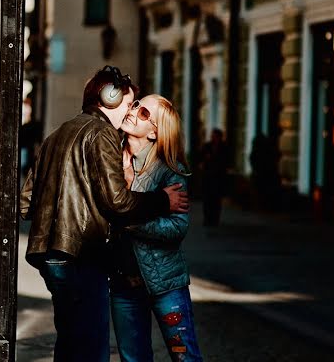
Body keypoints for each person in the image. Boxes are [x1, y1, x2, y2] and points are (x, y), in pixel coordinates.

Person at [19, 65, 190, 362]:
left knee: (70, 341)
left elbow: (25, 204)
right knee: (92, 349)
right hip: (82, 255)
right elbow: (118, 203)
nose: (129, 110)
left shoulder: (57, 134)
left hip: (50, 256)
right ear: (108, 98)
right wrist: (161, 201)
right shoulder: (101, 133)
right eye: (129, 102)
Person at [110, 94, 203, 362]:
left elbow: (176, 228)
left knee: (185, 358)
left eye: (144, 113)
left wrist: (129, 222)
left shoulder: (169, 171)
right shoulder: (109, 160)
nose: (133, 110)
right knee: (133, 359)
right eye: (136, 104)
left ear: (154, 133)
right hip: (122, 283)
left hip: (164, 283)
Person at [200, 128, 231, 226]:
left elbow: (226, 161)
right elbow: (200, 158)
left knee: (216, 200)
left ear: (219, 137)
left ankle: (215, 219)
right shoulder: (207, 146)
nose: (213, 137)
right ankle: (207, 219)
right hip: (208, 177)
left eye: (215, 136)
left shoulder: (224, 147)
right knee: (207, 200)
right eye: (213, 135)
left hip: (218, 178)